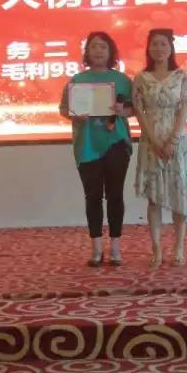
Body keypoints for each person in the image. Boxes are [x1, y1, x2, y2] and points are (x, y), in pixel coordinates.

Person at [59, 31, 134, 266]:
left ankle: (116, 247)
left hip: (116, 144)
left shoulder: (122, 80)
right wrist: (74, 116)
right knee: (92, 197)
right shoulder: (77, 81)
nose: (98, 51)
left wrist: (123, 111)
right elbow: (63, 109)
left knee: (115, 195)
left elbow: (133, 109)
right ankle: (96, 248)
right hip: (87, 146)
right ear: (87, 52)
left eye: (103, 47)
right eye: (94, 47)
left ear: (110, 52)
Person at [132, 28, 187, 267]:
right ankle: (157, 249)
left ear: (171, 47)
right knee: (154, 199)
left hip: (177, 142)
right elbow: (139, 111)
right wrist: (152, 139)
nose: (158, 48)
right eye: (154, 44)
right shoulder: (141, 78)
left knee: (179, 194)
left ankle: (179, 248)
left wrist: (172, 140)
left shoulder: (181, 76)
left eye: (163, 44)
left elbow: (184, 108)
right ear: (148, 48)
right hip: (150, 143)